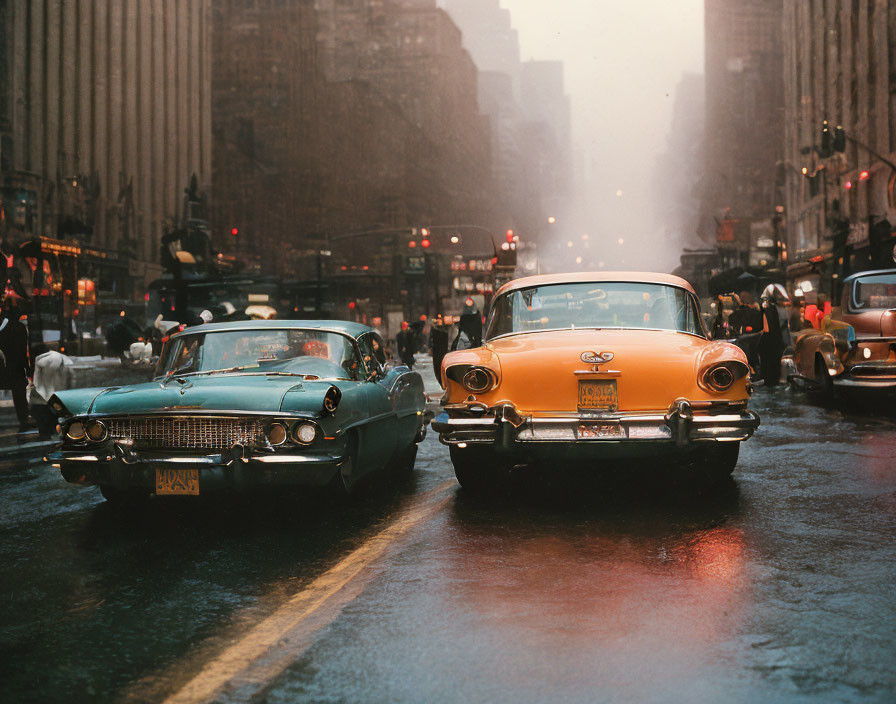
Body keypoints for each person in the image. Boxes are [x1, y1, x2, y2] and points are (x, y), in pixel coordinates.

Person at [0, 297, 33, 431]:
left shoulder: (14, 328)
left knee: (18, 388)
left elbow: (21, 352)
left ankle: (23, 419)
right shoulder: (18, 328)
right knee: (19, 389)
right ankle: (23, 419)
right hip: (13, 371)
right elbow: (22, 352)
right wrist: (28, 369)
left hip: (12, 370)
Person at [759, 289, 791, 386]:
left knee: (768, 365)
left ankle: (768, 380)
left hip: (768, 341)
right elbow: (781, 328)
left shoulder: (766, 309)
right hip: (775, 341)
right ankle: (773, 381)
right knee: (774, 364)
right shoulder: (778, 310)